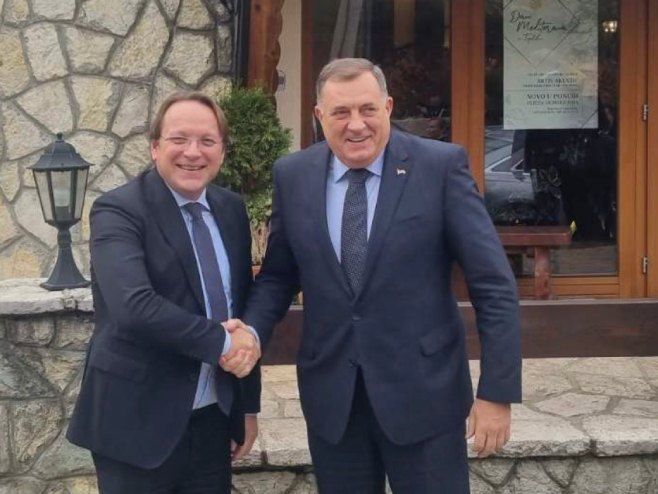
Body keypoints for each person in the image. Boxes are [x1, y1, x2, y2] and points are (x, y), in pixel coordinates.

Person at [226, 58, 522, 493]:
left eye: (367, 109)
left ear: (388, 107)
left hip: (426, 398)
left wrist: (497, 392)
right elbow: (278, 277)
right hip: (335, 402)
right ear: (319, 116)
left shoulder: (439, 167)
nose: (356, 125)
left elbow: (493, 285)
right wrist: (250, 332)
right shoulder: (293, 175)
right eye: (341, 112)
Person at [67, 91, 262, 494]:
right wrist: (225, 343)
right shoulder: (118, 210)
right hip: (136, 423)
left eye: (207, 141)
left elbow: (239, 307)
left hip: (212, 422)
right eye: (179, 139)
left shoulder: (230, 209)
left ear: (222, 151)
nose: (193, 152)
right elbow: (133, 307)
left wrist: (247, 407)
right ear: (155, 147)